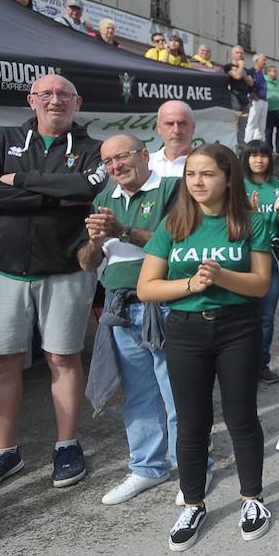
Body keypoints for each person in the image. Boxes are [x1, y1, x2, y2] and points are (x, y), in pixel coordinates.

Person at [0, 75, 105, 500]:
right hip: (3, 269)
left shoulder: (92, 149)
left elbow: (85, 188)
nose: (55, 100)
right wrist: (52, 196)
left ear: (77, 102)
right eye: (46, 94)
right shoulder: (4, 138)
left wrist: (17, 182)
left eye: (64, 94)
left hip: (66, 269)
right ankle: (3, 453)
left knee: (62, 357)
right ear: (32, 100)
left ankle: (66, 444)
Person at [137, 144, 272, 551]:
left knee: (241, 417)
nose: (197, 181)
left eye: (207, 173)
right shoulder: (173, 224)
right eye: (191, 174)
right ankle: (193, 502)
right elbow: (147, 287)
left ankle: (253, 499)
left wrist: (221, 277)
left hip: (237, 329)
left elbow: (261, 284)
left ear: (228, 177)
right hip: (185, 331)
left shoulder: (251, 223)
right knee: (191, 423)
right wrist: (191, 285)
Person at [77, 134, 186, 505]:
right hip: (119, 306)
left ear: (144, 155)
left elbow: (179, 245)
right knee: (138, 394)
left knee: (176, 391)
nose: (115, 167)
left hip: (165, 303)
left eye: (121, 157)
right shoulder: (104, 199)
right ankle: (147, 467)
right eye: (108, 162)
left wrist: (121, 231)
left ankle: (191, 466)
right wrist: (94, 242)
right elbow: (87, 262)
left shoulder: (173, 187)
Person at [241, 140, 279, 386]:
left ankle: (261, 364)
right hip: (242, 258)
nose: (258, 160)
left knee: (265, 316)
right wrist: (251, 214)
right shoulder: (237, 187)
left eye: (262, 155)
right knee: (243, 313)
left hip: (273, 257)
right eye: (253, 155)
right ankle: (241, 365)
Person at [149, 100, 195, 178]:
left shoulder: (208, 164)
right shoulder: (147, 164)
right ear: (159, 128)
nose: (176, 131)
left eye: (182, 124)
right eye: (169, 124)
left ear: (193, 127)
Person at [244, 54, 269, 143]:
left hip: (263, 101)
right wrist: (253, 95)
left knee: (261, 126)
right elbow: (249, 85)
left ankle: (259, 143)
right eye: (263, 60)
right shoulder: (251, 71)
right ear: (257, 61)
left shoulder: (262, 74)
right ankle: (248, 142)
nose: (265, 62)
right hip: (255, 100)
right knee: (252, 123)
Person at [264, 65, 279, 153]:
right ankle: (269, 149)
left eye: (276, 71)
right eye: (273, 71)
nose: (275, 73)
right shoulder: (264, 80)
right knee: (269, 131)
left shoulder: (278, 82)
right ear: (268, 72)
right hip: (269, 109)